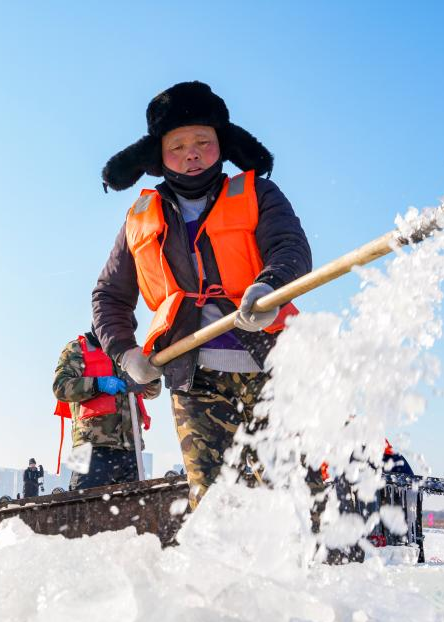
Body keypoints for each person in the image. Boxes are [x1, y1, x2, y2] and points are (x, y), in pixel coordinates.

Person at [93, 81, 312, 507]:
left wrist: (269, 286)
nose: (190, 153)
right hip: (195, 381)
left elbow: (290, 247)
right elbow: (109, 296)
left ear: (222, 146)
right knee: (214, 507)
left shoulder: (258, 193)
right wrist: (126, 353)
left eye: (202, 142)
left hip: (275, 366)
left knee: (291, 499)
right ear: (158, 155)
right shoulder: (139, 218)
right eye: (177, 146)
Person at [53, 326, 161, 490]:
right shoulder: (77, 349)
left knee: (133, 511)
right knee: (85, 508)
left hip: (131, 449)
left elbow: (153, 392)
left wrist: (150, 377)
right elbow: (60, 387)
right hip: (92, 449)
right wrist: (98, 384)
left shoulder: (129, 355)